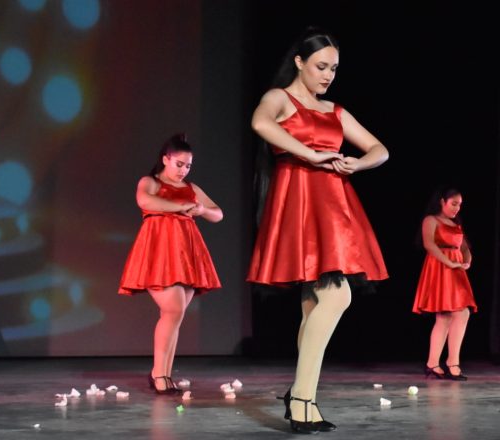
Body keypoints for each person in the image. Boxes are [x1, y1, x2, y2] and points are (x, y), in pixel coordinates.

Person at [247, 27, 388, 434]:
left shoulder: (335, 110)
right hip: (299, 207)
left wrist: (355, 164)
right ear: (299, 62)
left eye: (334, 68)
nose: (328, 75)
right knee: (336, 295)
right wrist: (311, 153)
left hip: (334, 209)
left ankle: (302, 397)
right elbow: (261, 124)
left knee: (316, 304)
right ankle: (302, 397)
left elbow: (380, 149)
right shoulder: (280, 99)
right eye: (321, 66)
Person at [119, 133, 223, 395]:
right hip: (159, 252)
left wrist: (201, 211)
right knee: (173, 311)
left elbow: (217, 213)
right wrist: (181, 207)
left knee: (174, 315)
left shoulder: (192, 188)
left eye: (188, 165)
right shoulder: (150, 181)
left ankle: (163, 373)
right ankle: (159, 374)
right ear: (166, 159)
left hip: (186, 254)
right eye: (179, 164)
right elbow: (145, 201)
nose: (183, 170)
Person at [412, 187, 477, 381]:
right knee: (451, 314)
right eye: (454, 203)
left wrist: (467, 260)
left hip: (456, 269)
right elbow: (429, 245)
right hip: (441, 266)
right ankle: (450, 363)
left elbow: (464, 247)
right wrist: (449, 262)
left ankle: (434, 364)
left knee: (449, 316)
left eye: (460, 205)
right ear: (442, 202)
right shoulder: (431, 220)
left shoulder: (455, 223)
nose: (457, 208)